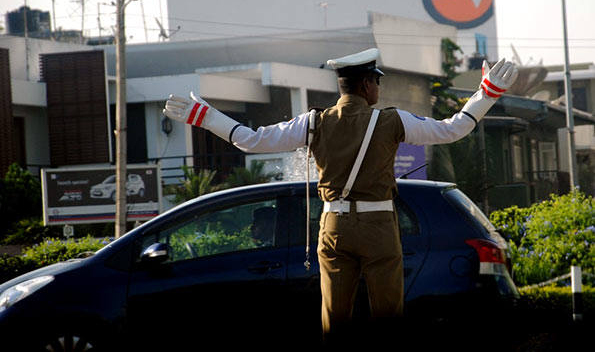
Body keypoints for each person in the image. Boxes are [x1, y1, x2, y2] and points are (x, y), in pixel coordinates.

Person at [163, 48, 518, 344]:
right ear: (366, 84)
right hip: (379, 225)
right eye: (377, 81)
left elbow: (252, 140)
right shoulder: (392, 121)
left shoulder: (313, 122)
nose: (378, 87)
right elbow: (453, 129)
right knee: (387, 316)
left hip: (333, 224)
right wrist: (486, 92)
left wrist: (206, 116)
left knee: (334, 320)